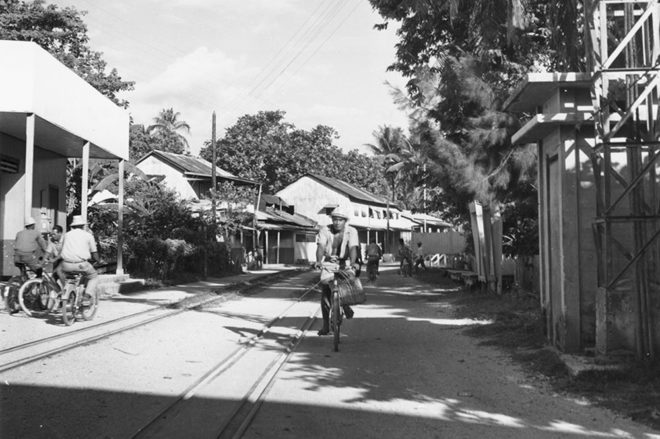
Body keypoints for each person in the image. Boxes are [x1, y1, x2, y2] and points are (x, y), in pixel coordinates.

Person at [314, 205, 360, 336]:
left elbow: (352, 248)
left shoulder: (352, 231)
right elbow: (321, 246)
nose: (337, 222)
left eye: (340, 220)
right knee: (325, 293)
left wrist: (353, 263)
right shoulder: (325, 230)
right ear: (331, 219)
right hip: (328, 263)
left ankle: (345, 304)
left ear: (345, 221)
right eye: (335, 219)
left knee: (350, 285)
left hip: (344, 263)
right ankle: (325, 326)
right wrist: (318, 261)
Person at [57, 215, 101, 304]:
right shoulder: (88, 235)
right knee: (94, 277)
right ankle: (86, 297)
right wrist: (98, 260)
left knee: (59, 271)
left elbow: (60, 249)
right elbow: (94, 252)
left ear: (72, 226)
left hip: (66, 265)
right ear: (83, 226)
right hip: (81, 264)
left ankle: (64, 290)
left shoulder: (66, 235)